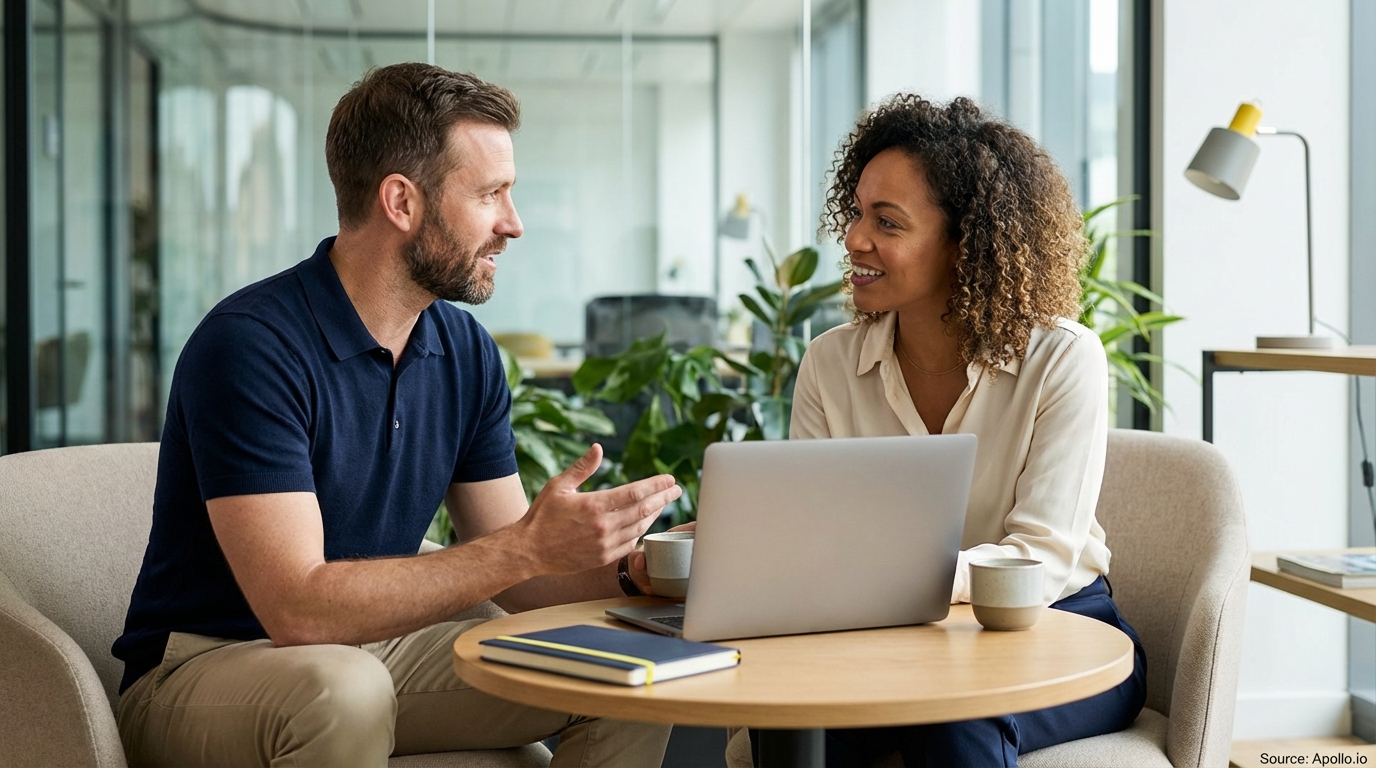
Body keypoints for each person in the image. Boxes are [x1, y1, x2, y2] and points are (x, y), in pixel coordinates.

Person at [112, 63, 682, 768]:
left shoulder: (463, 349)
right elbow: (299, 609)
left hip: (368, 654)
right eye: (491, 194)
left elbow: (518, 570)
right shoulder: (251, 345)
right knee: (344, 689)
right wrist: (526, 546)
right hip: (207, 668)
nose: (514, 223)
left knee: (628, 671)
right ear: (401, 202)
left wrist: (643, 571)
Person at [788, 94, 1147, 766]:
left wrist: (890, 580)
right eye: (857, 213)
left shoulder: (1062, 358)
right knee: (801, 725)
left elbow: (1039, 557)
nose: (855, 238)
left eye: (887, 222)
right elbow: (817, 540)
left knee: (951, 717)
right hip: (891, 637)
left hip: (1057, 630)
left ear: (964, 243)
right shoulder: (829, 363)